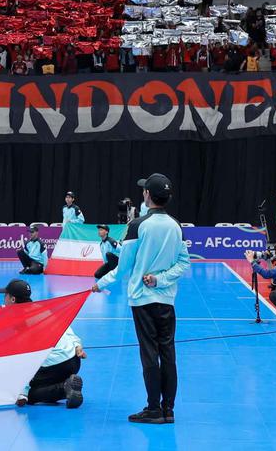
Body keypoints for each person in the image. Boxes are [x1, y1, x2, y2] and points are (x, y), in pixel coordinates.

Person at [92, 173, 190, 425]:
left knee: (149, 353)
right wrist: (162, 279)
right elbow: (183, 263)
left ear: (148, 195)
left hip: (143, 300)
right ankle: (169, 409)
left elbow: (123, 268)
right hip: (166, 299)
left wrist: (100, 283)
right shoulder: (176, 225)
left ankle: (153, 408)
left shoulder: (138, 226)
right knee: (167, 352)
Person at [0, 279, 84, 408]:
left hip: (56, 365)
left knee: (30, 394)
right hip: (73, 359)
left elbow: (26, 357)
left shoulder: (21, 321)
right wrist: (77, 344)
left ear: (12, 299)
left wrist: (23, 393)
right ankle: (67, 382)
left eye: (5, 295)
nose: (3, 298)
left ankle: (64, 388)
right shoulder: (40, 309)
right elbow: (65, 328)